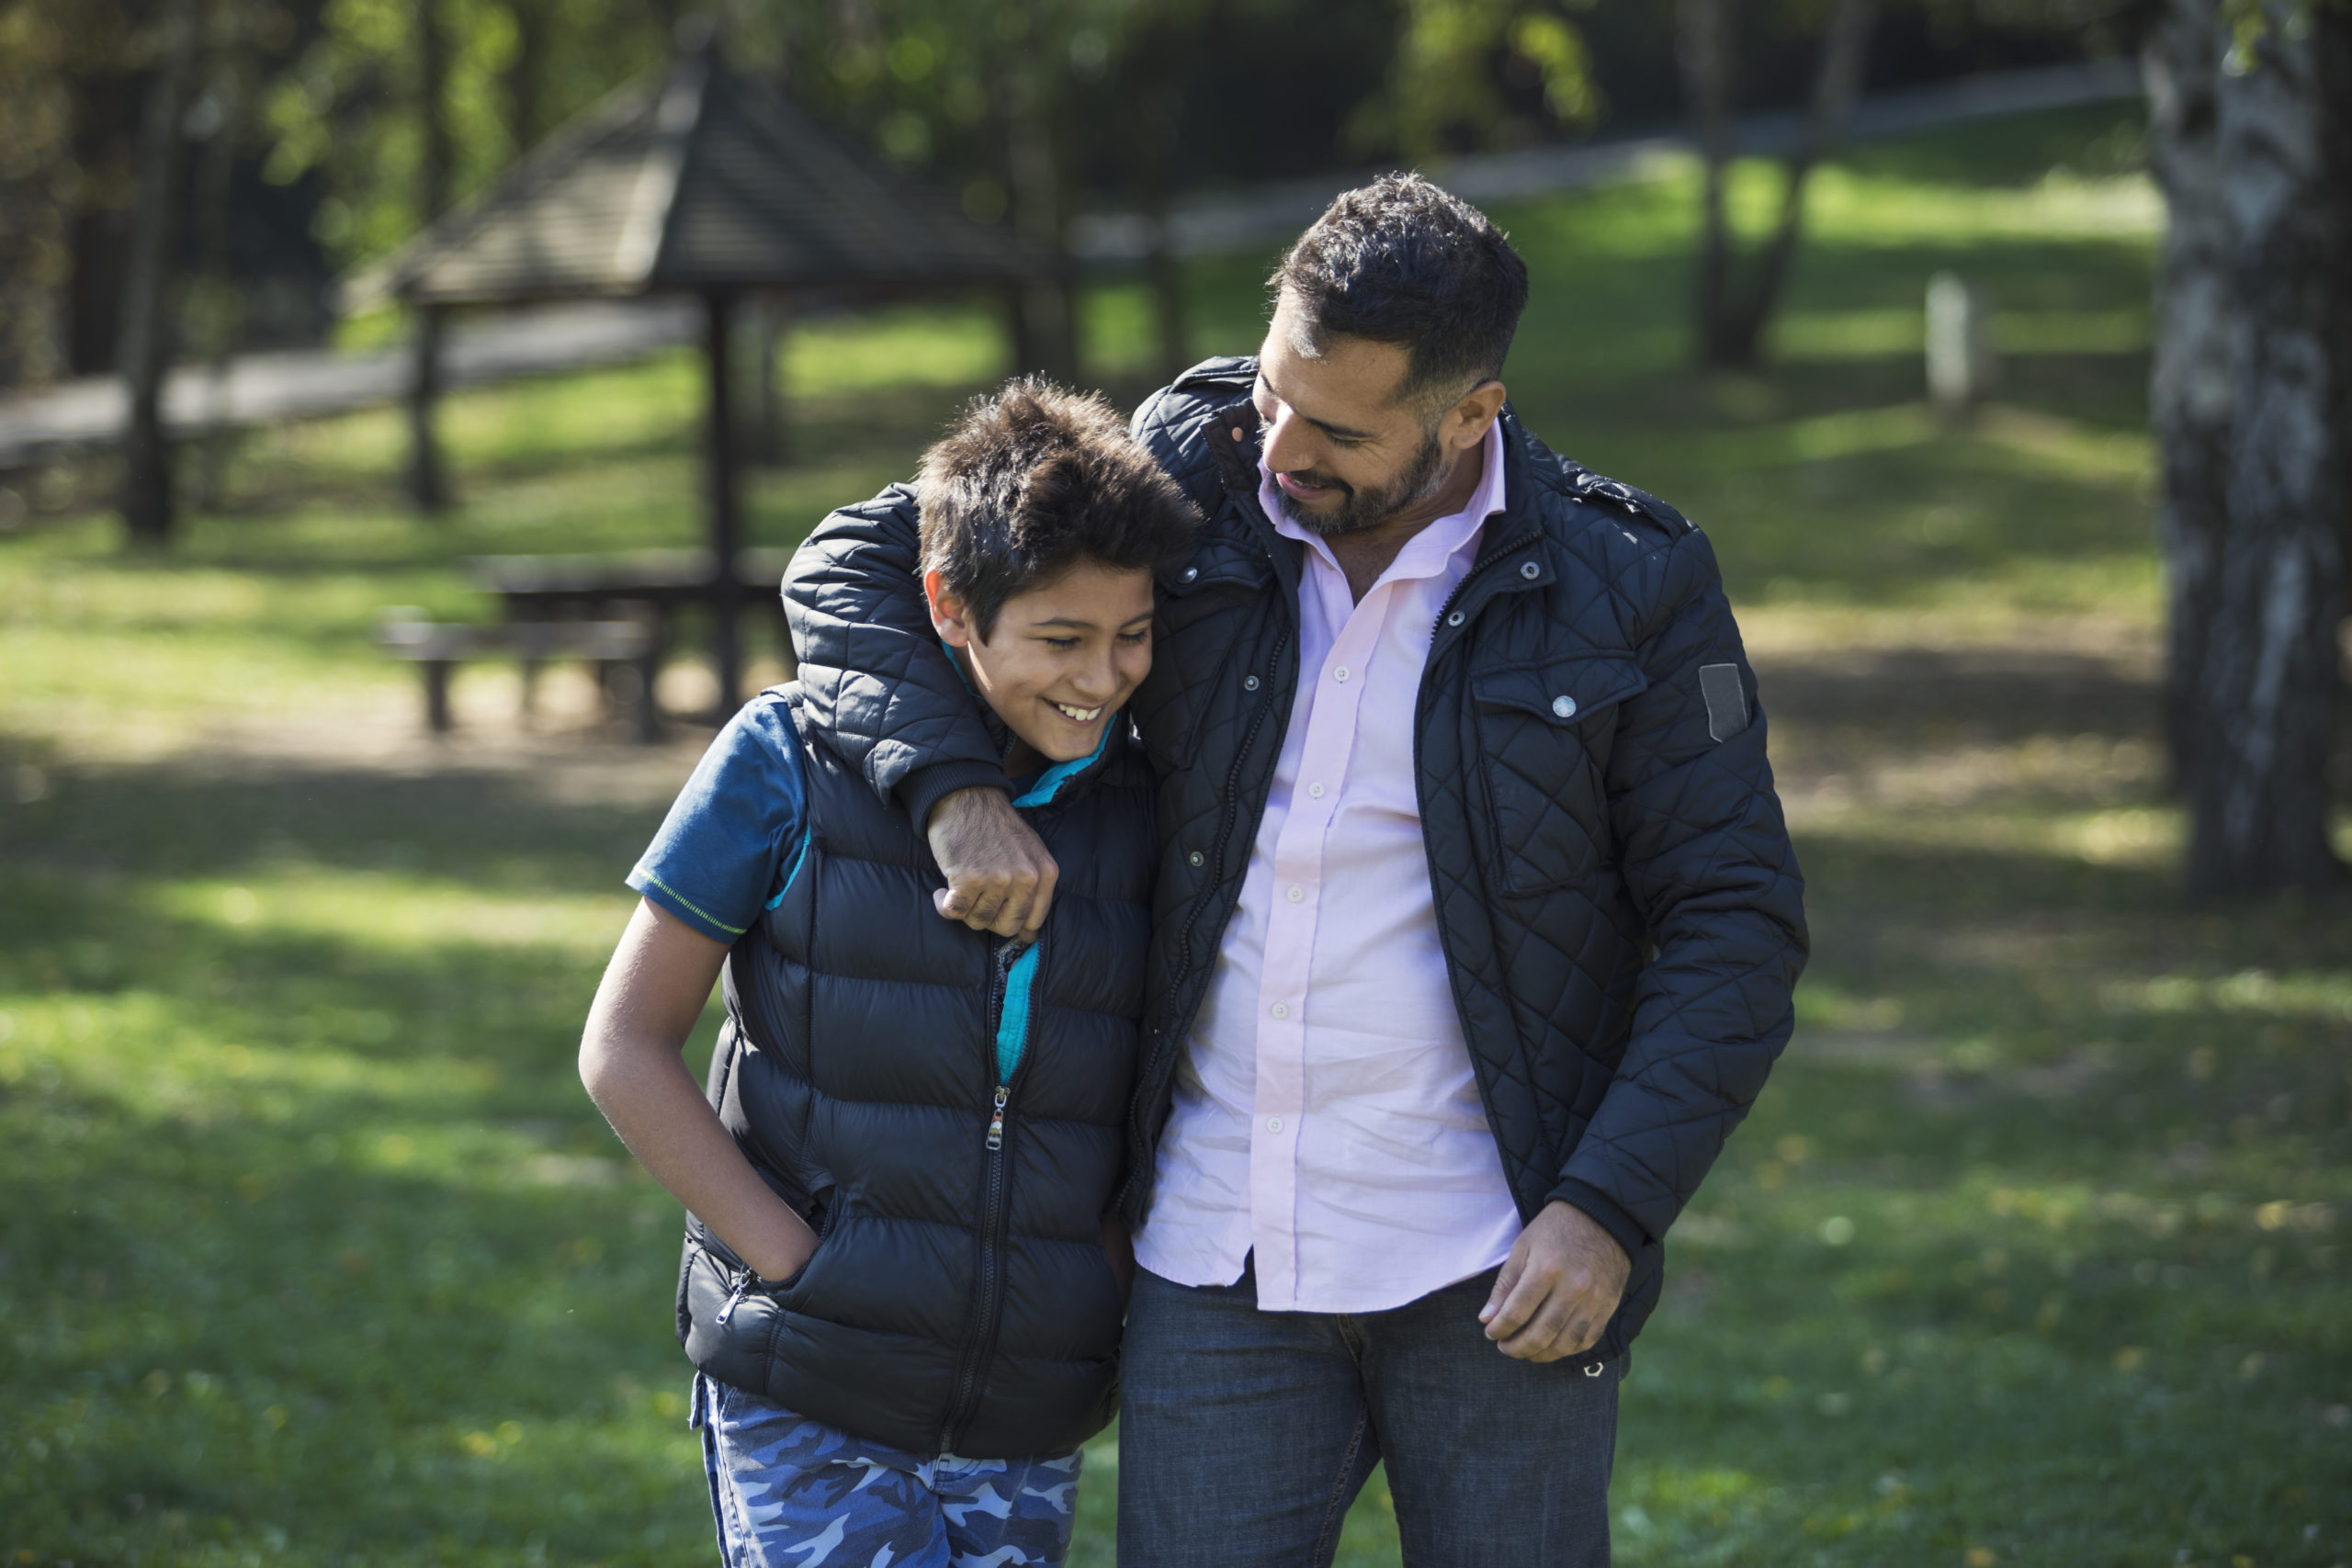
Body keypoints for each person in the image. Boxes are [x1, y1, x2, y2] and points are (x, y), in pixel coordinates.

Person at [783, 175, 1809, 1567]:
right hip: (1212, 1257)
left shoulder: (1634, 581)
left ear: (1471, 415)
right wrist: (954, 795)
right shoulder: (1193, 460)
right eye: (1275, 391)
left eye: (1337, 429)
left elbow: (1733, 922)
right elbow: (855, 560)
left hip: (1499, 1263)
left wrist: (1608, 1208)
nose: (1279, 447)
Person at [579, 378, 1202, 1568]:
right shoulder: (785, 757)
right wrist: (799, 1265)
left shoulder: (1148, 806)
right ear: (949, 608)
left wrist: (1092, 1281)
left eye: (1132, 636)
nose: (1104, 676)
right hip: (811, 1382)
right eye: (1061, 640)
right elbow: (622, 1047)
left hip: (1028, 1410)